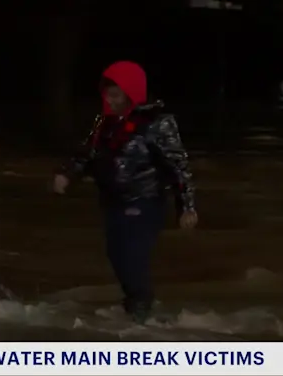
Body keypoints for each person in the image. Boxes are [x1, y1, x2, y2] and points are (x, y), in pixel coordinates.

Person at [53, 61, 197, 323]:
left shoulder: (158, 123)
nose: (111, 100)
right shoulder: (104, 122)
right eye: (108, 94)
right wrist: (67, 174)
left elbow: (178, 166)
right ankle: (136, 304)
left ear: (132, 92)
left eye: (117, 94)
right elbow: (88, 153)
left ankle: (142, 307)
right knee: (115, 252)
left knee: (132, 254)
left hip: (145, 201)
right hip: (112, 201)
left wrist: (186, 206)